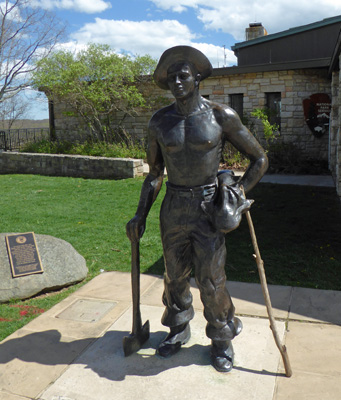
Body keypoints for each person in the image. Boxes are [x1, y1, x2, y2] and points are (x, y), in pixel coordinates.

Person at [126, 46, 268, 373]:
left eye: (183, 75)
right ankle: (178, 329)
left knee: (211, 279)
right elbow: (154, 174)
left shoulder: (221, 116)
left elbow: (259, 159)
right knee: (174, 276)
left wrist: (235, 194)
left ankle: (221, 338)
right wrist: (140, 214)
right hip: (174, 205)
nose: (177, 81)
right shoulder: (160, 122)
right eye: (171, 77)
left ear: (197, 78)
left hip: (207, 206)